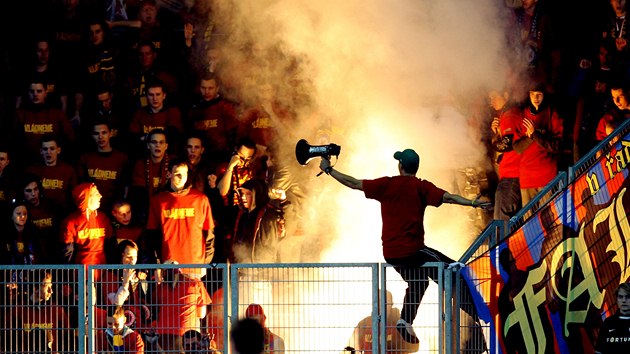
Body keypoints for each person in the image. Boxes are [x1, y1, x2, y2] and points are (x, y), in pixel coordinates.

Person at [319, 148, 490, 344]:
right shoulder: (421, 186)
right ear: (416, 168)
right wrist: (472, 204)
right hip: (412, 250)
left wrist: (329, 170)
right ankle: (481, 314)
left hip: (391, 253)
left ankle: (405, 321)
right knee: (452, 270)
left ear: (400, 166)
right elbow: (449, 197)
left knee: (419, 281)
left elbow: (354, 183)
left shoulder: (387, 184)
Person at [146, 158, 215, 278]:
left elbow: (209, 233)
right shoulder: (158, 201)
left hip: (195, 263)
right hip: (168, 263)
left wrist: (206, 261)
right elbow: (153, 236)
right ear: (169, 174)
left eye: (185, 174)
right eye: (177, 174)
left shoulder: (201, 199)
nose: (182, 177)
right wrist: (157, 263)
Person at [513, 81, 563, 206]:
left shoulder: (552, 114)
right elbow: (517, 148)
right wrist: (531, 136)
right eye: (533, 94)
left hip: (547, 177)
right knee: (529, 221)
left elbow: (557, 145)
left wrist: (535, 134)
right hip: (527, 178)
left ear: (544, 95)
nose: (535, 98)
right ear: (529, 96)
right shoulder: (522, 116)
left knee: (549, 218)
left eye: (539, 94)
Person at [2, 269, 74, 352]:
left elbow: (69, 338)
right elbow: (6, 340)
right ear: (35, 288)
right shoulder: (17, 311)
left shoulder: (57, 310)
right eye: (47, 286)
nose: (51, 291)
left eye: (51, 286)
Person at [151, 260, 212, 353]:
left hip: (163, 337)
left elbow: (155, 307)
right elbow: (202, 314)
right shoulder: (195, 284)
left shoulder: (160, 289)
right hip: (188, 336)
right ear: (181, 270)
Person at [60, 183, 115, 271]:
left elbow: (111, 247)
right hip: (81, 270)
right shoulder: (70, 222)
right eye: (96, 194)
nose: (100, 196)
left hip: (103, 268)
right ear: (86, 198)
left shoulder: (103, 218)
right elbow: (67, 253)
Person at [77, 120, 130, 211]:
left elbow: (126, 185)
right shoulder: (85, 159)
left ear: (111, 134)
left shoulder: (122, 158)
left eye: (104, 133)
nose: (100, 137)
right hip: (91, 208)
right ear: (92, 136)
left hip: (115, 208)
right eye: (96, 134)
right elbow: (81, 185)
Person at [231, 179, 286, 263]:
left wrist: (283, 201)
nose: (243, 197)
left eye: (248, 194)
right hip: (242, 266)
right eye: (242, 194)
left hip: (264, 267)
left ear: (257, 195)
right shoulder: (240, 214)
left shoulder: (269, 214)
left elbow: (288, 224)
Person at [347, 290, 419, 354]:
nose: (382, 305)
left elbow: (415, 347)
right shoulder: (364, 323)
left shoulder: (399, 324)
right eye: (379, 301)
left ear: (391, 304)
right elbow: (351, 347)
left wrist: (393, 344)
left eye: (386, 302)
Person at [488, 89, 523, 221]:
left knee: (502, 218)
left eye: (494, 96)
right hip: (512, 173)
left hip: (512, 174)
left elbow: (506, 145)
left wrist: (494, 141)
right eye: (490, 98)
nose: (491, 101)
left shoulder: (510, 116)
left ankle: (505, 242)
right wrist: (497, 132)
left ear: (506, 95)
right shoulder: (507, 115)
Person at [26, 134, 78, 212]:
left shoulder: (68, 170)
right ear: (41, 151)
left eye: (52, 149)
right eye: (45, 149)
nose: (48, 152)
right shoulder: (32, 170)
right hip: (38, 214)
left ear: (58, 150)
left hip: (62, 213)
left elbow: (74, 196)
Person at [594, 282, 630, 354]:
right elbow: (599, 351)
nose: (623, 300)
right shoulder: (608, 323)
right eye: (620, 297)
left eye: (628, 297)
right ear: (616, 299)